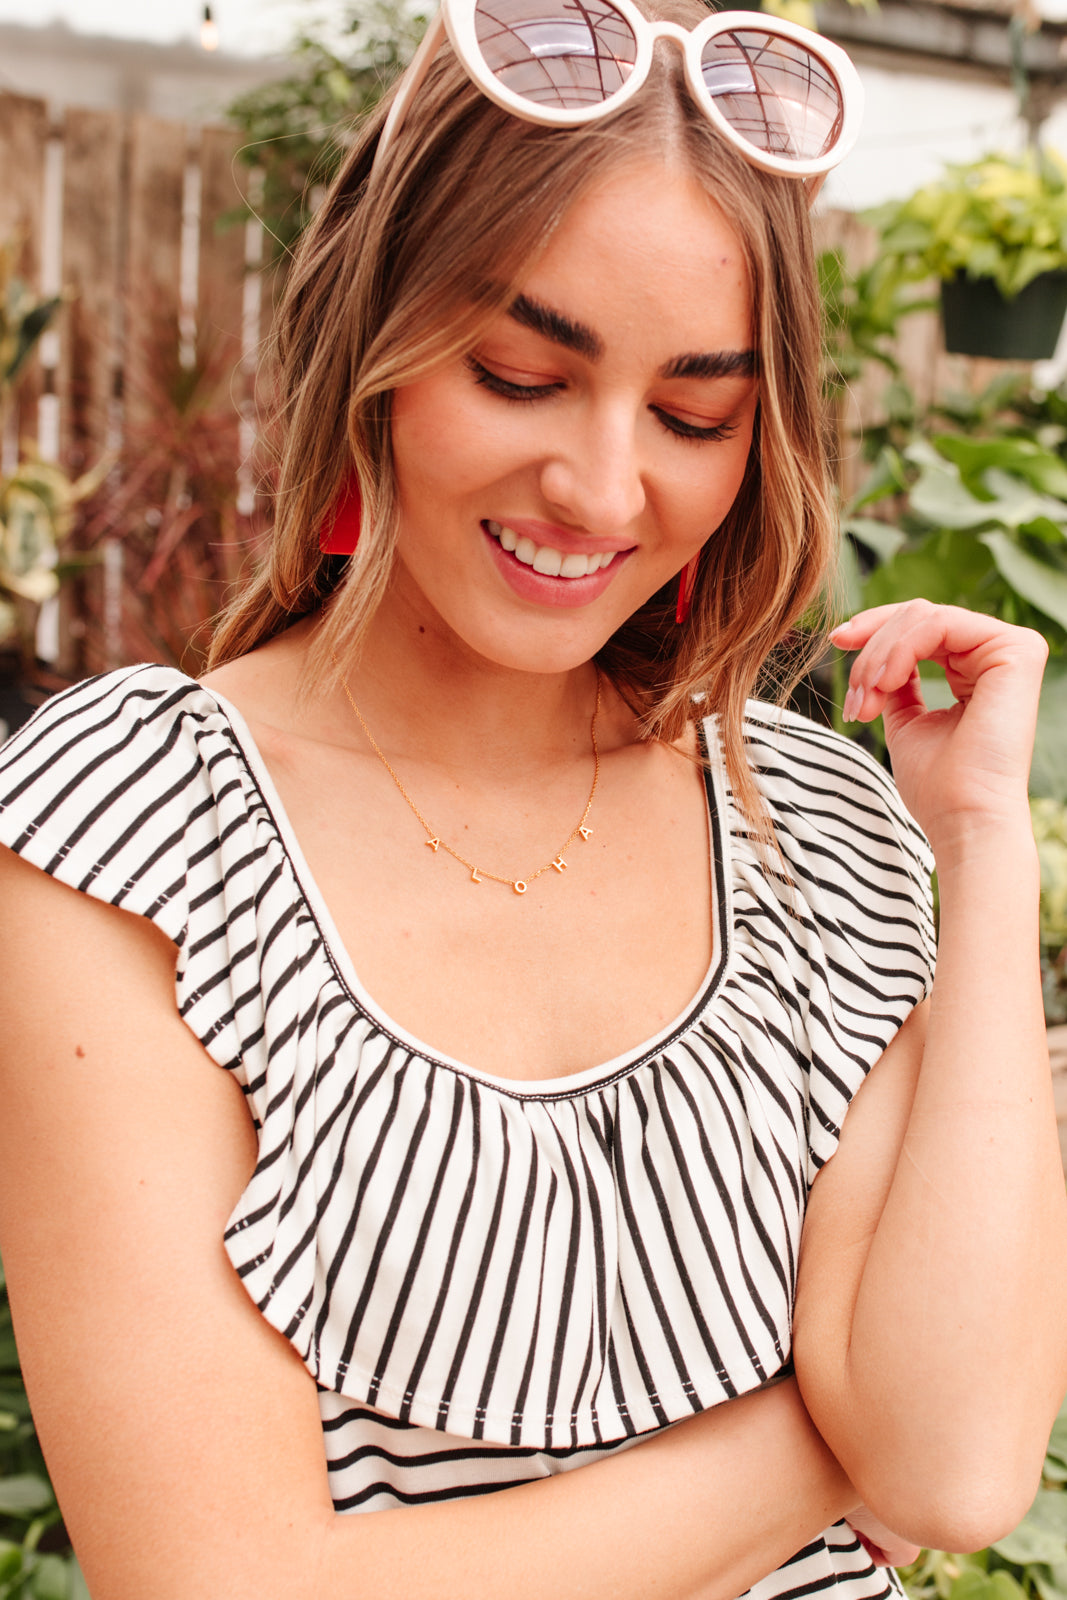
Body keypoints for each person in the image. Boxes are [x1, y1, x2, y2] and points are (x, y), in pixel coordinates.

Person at [0, 3, 1065, 1596]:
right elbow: (219, 1584)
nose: (602, 486)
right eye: (519, 376)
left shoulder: (812, 827)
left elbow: (962, 1466)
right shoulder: (138, 831)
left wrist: (978, 849)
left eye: (696, 416)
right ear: (374, 341)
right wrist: (826, 1444)